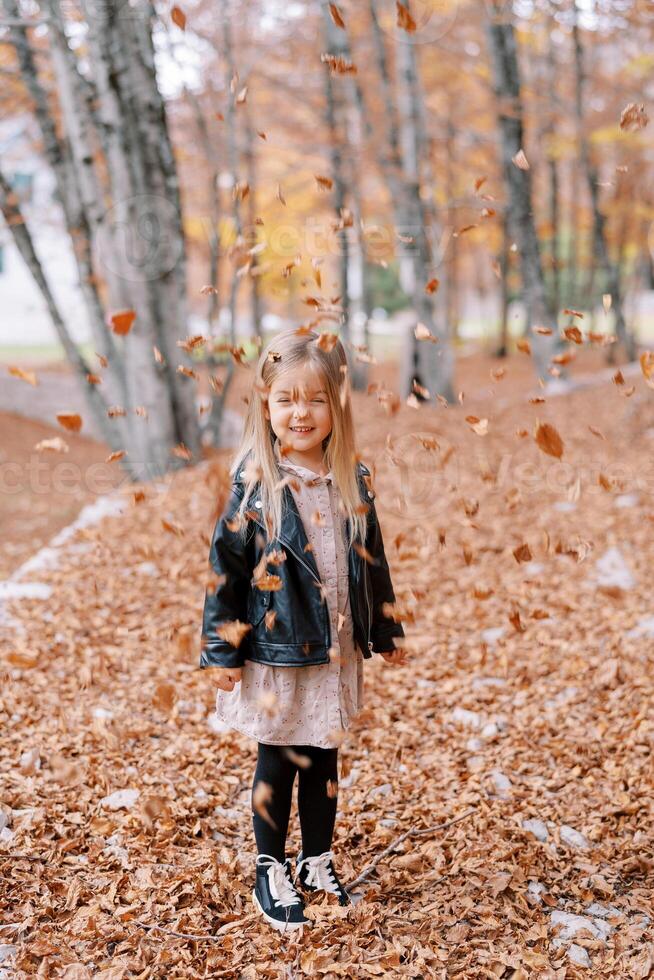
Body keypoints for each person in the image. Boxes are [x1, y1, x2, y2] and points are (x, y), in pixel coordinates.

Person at [200, 328, 407, 933]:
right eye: (287, 399)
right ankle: (270, 865)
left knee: (323, 755)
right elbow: (225, 573)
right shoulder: (254, 486)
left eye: (315, 399)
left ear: (335, 407)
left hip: (336, 646)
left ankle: (317, 857)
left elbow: (373, 559)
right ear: (265, 404)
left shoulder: (352, 478)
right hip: (276, 649)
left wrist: (385, 628)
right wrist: (224, 648)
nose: (301, 412)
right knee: (281, 753)